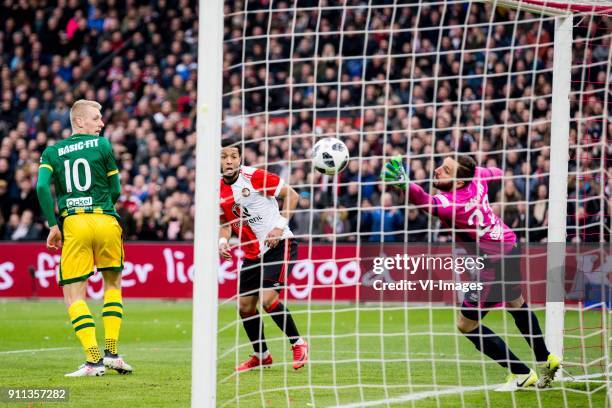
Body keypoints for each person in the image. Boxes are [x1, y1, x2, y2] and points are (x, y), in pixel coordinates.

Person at [381, 154, 561, 391]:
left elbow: (425, 202)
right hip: (510, 244)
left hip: (494, 263)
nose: (437, 170)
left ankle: (521, 373)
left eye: (445, 170)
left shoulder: (450, 205)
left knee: (466, 324)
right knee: (516, 303)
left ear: (458, 182)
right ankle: (546, 359)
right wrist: (486, 173)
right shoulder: (476, 177)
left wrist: (406, 186)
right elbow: (495, 173)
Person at [36, 100, 132, 377]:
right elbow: (116, 187)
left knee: (73, 294)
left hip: (75, 223)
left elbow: (42, 186)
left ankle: (93, 360)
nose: (101, 123)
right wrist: (104, 208)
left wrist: (54, 225)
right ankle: (112, 353)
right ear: (79, 121)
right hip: (106, 219)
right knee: (113, 284)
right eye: (96, 118)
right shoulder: (102, 146)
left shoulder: (52, 152)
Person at [218, 140, 309, 372]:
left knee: (267, 299)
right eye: (223, 156)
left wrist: (279, 227)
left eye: (233, 156)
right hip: (251, 253)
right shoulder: (215, 189)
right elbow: (226, 224)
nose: (229, 161)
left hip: (279, 245)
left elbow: (292, 195)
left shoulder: (254, 176)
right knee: (245, 307)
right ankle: (262, 355)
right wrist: (222, 241)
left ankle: (298, 343)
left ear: (240, 159)